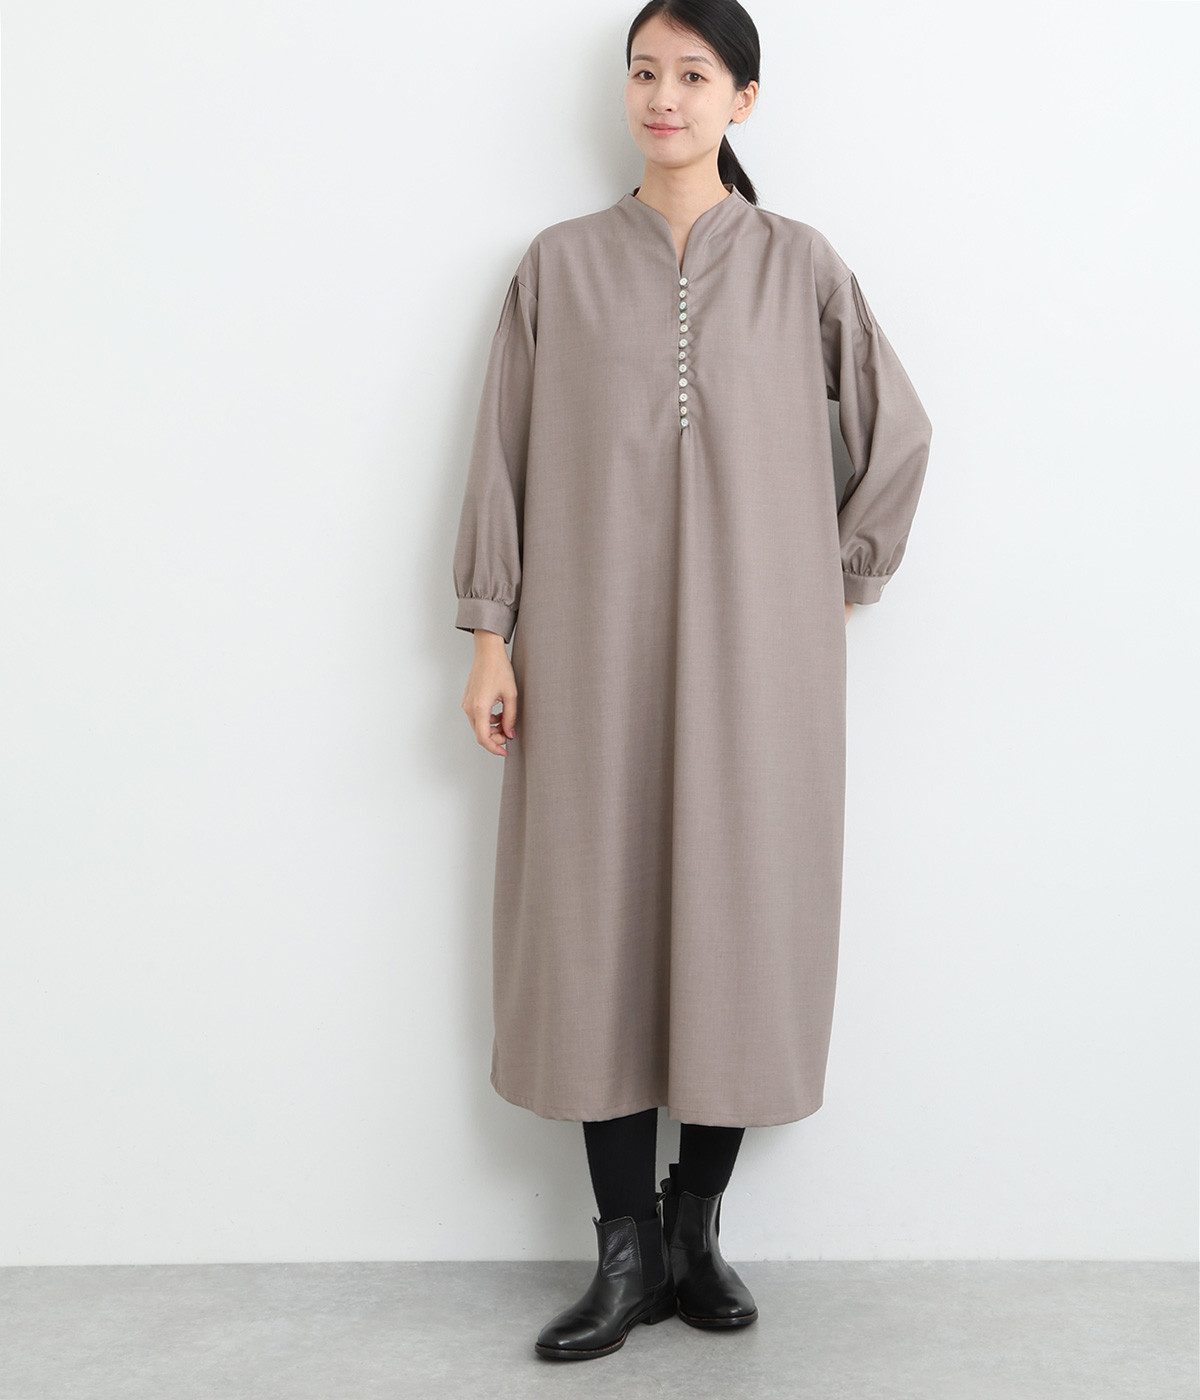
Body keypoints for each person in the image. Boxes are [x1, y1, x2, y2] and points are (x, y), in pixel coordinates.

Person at [452, 0, 933, 1364]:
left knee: (741, 914)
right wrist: (488, 632)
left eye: (694, 74)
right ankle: (621, 1252)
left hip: (761, 653)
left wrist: (833, 574)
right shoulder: (556, 266)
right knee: (591, 915)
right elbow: (501, 454)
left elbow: (900, 434)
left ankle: (694, 1228)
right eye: (644, 73)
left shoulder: (799, 265)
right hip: (585, 645)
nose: (664, 97)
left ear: (743, 99)